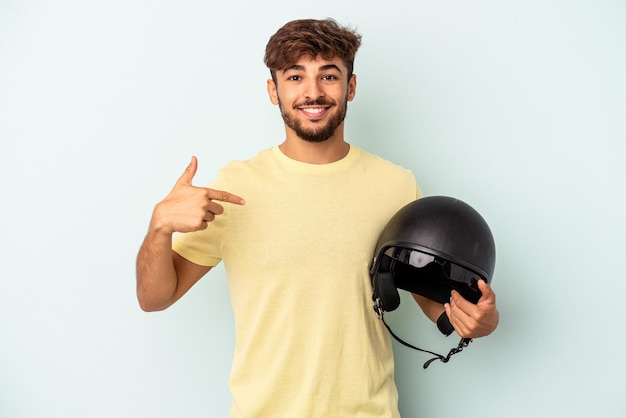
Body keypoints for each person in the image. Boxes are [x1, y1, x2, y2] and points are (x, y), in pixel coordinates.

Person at [136, 18, 499, 417]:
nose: (313, 92)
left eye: (329, 75)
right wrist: (159, 229)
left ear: (351, 87)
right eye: (295, 76)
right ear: (274, 91)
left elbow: (436, 305)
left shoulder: (395, 185)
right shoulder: (235, 187)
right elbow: (155, 298)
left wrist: (476, 320)